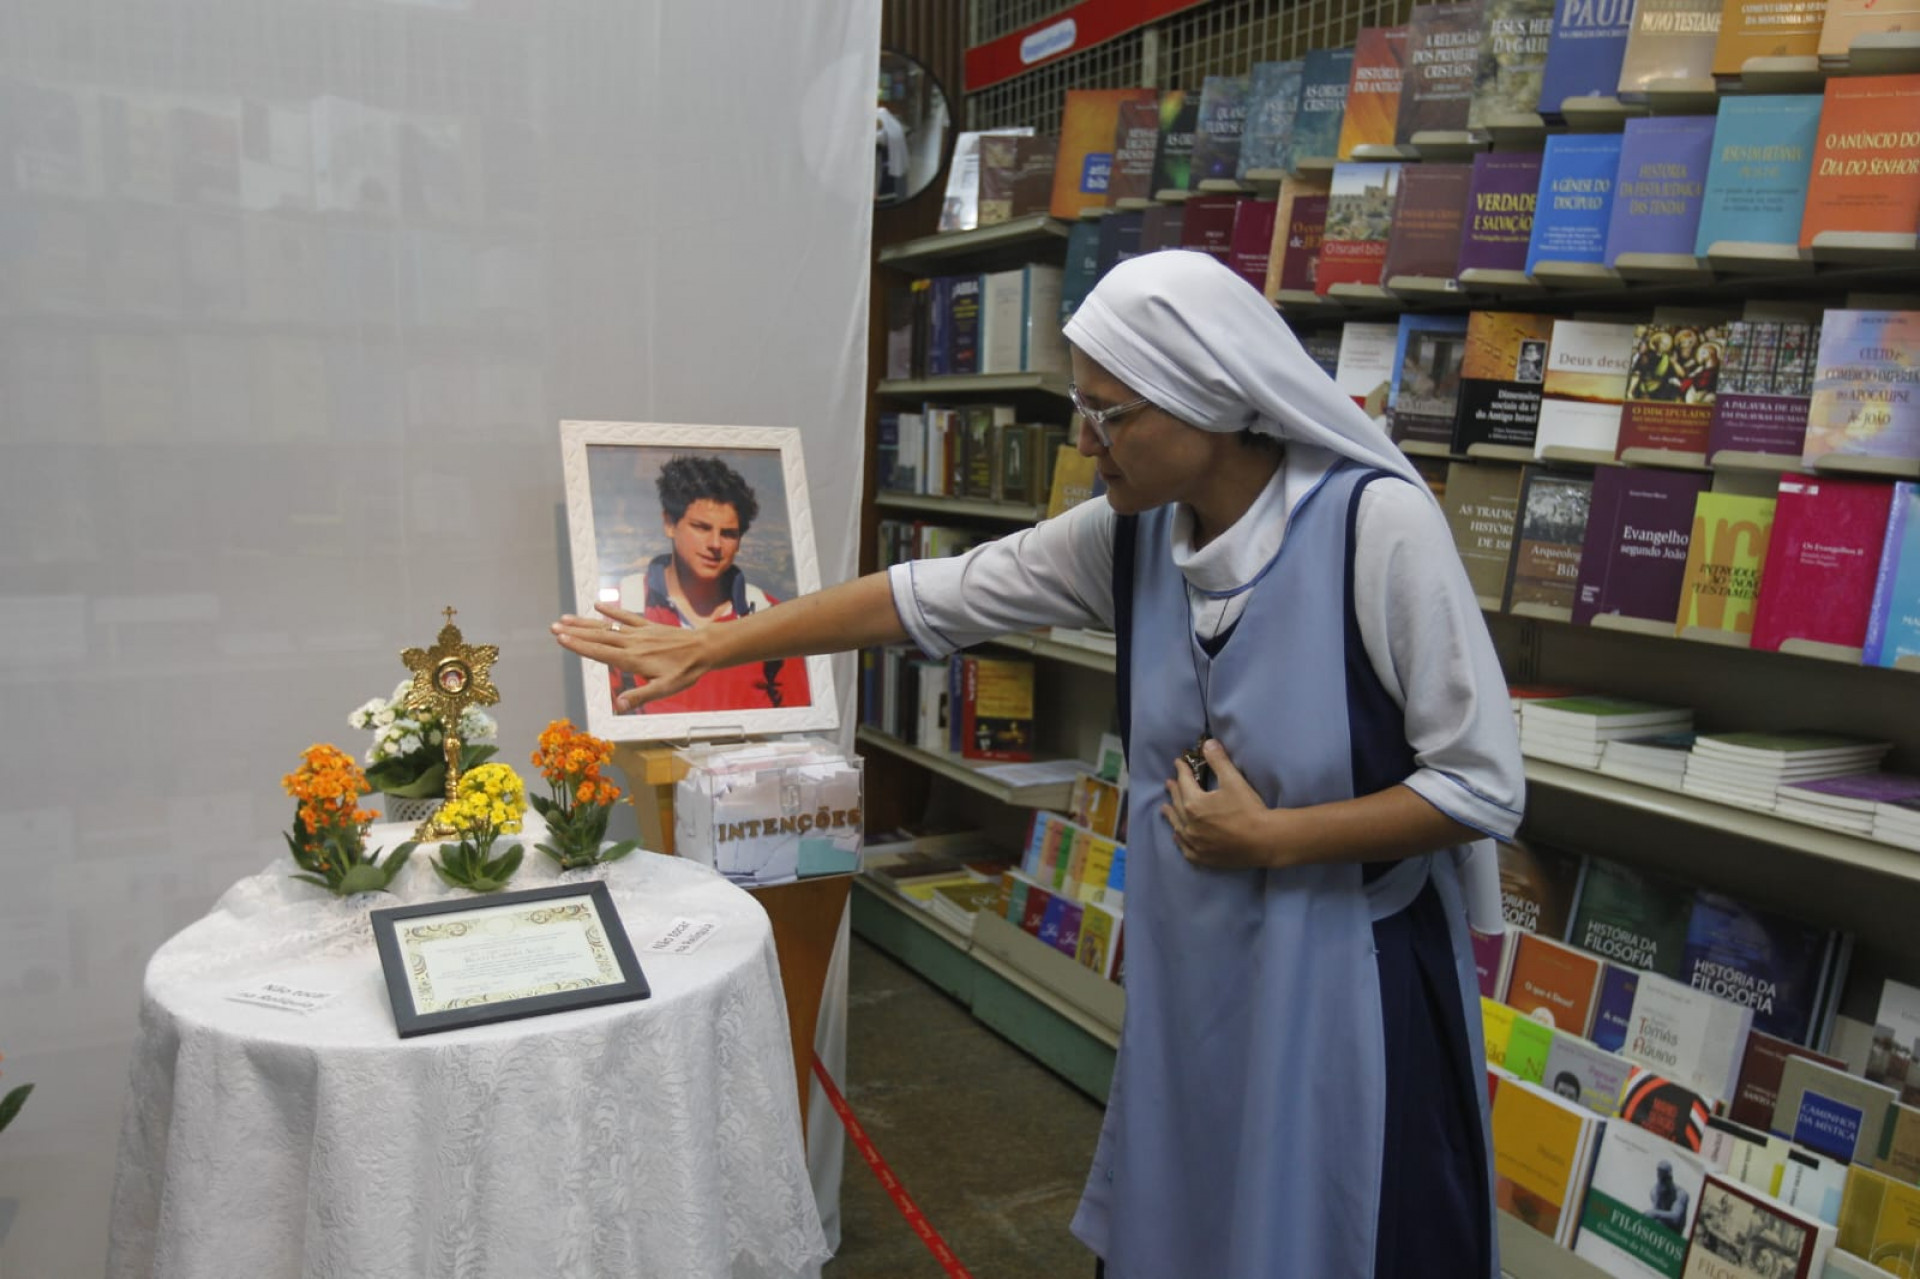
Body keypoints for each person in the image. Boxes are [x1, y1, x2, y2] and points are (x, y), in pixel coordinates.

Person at [553, 251, 1524, 1278]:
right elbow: (931, 594)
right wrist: (714, 643)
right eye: (1079, 406)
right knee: (1196, 1220)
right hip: (1199, 973)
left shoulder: (1376, 528)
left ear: (1205, 400)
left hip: (1344, 983)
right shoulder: (1133, 536)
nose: (1083, 439)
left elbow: (1480, 785)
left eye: (1109, 413)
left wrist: (1272, 838)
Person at [608, 454, 809, 715]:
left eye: (728, 533)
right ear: (669, 524)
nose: (715, 544)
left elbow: (800, 722)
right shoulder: (622, 609)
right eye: (701, 527)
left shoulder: (770, 619)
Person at [1648, 1160, 1690, 1231]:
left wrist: (1654, 1213)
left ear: (1670, 1178)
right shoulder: (1655, 1191)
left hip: (1675, 1232)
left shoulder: (1681, 1194)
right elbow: (1654, 1214)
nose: (1663, 1182)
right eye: (1661, 1179)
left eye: (1665, 1179)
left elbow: (1675, 1217)